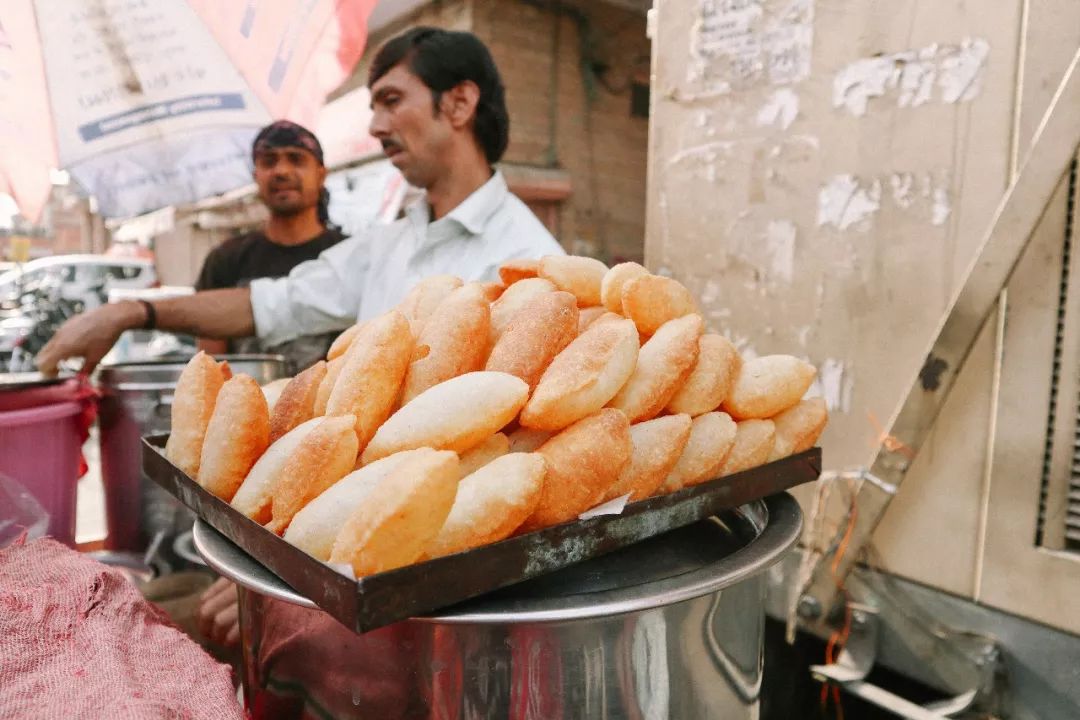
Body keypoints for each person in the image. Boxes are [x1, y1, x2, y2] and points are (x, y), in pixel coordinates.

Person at [38, 27, 566, 647]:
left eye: (391, 100)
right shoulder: (390, 242)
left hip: (431, 614)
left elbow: (506, 484)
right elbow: (271, 302)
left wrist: (312, 592)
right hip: (336, 550)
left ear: (458, 104)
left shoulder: (533, 265)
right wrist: (129, 312)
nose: (373, 125)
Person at [195, 120, 346, 373]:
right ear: (256, 176)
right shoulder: (225, 260)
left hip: (332, 409)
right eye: (269, 161)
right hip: (246, 408)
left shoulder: (348, 255)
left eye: (296, 159)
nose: (281, 171)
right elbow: (209, 366)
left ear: (321, 174)